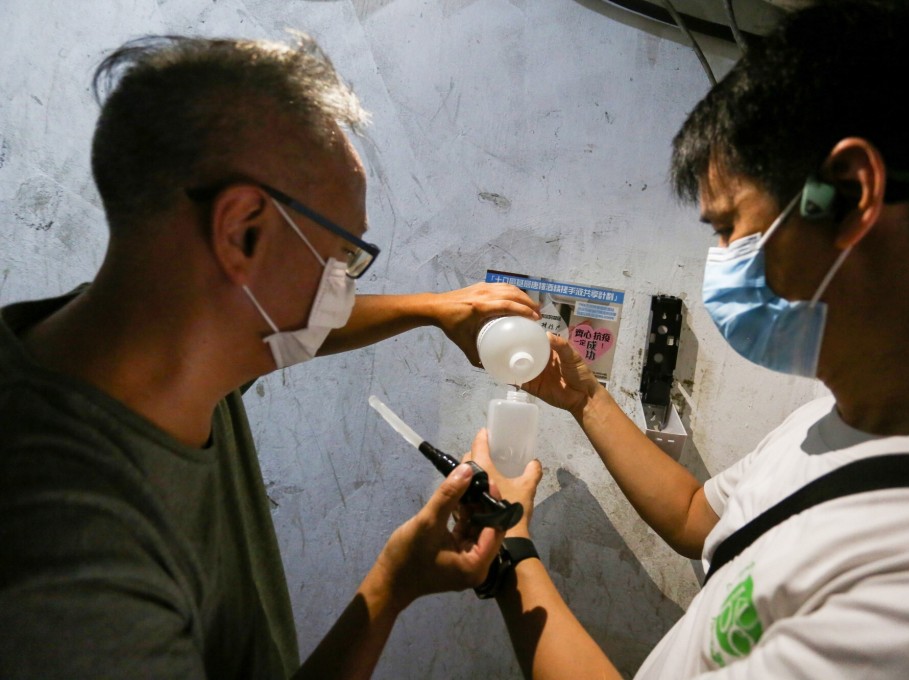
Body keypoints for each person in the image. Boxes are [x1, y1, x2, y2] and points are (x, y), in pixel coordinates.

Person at [468, 2, 909, 678]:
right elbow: (701, 518)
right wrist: (583, 397)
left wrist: (511, 557)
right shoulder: (845, 412)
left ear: (848, 192)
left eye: (730, 226)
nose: (721, 261)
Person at [0, 34, 539, 679]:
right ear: (242, 231)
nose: (346, 285)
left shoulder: (152, 340)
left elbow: (286, 326)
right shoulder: (77, 576)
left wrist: (433, 308)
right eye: (343, 255)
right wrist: (389, 587)